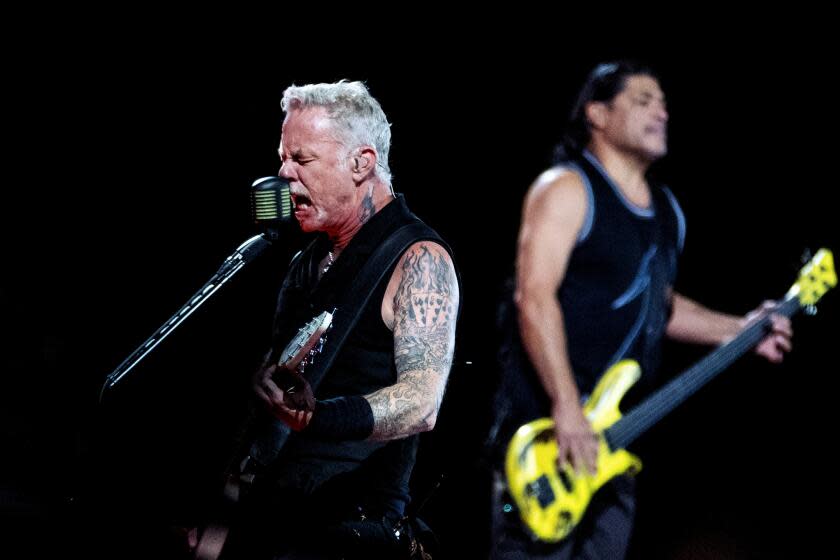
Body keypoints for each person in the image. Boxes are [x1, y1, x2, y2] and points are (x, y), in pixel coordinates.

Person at [489, 60, 792, 559]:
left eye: (664, 103)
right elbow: (534, 295)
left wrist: (742, 329)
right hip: (546, 444)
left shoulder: (667, 213)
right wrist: (566, 406)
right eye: (643, 100)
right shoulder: (566, 188)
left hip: (613, 449)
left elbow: (660, 308)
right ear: (598, 114)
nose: (662, 112)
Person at [212, 80, 460, 559]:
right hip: (271, 518)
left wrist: (319, 417)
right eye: (282, 158)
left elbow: (421, 403)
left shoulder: (418, 257)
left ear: (361, 162)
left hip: (347, 530)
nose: (283, 175)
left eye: (301, 160)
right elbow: (266, 411)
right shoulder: (307, 262)